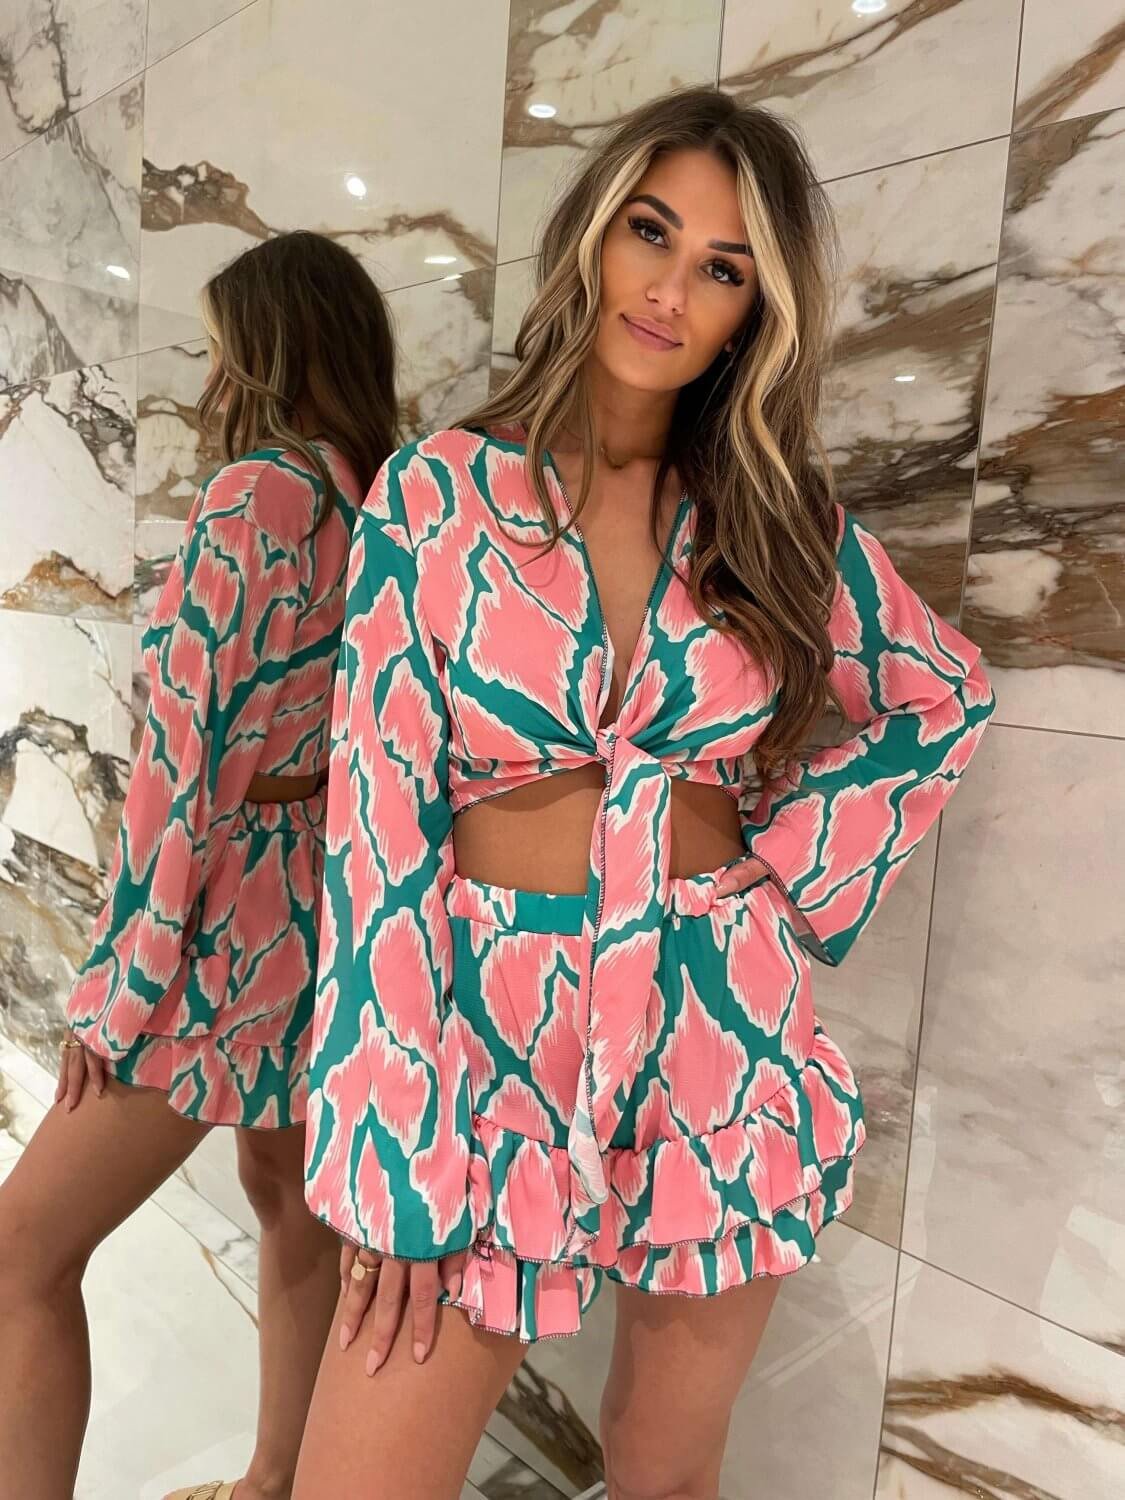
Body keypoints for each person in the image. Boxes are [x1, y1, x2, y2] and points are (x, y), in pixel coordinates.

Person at [293, 88, 995, 1500]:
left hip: (715, 1017)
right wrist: (389, 1142)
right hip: (483, 1023)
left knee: (667, 1472)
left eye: (723, 268)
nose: (672, 290)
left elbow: (945, 695)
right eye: (651, 232)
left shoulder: (771, 518)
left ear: (752, 316)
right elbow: (377, 825)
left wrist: (783, 883)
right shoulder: (438, 494)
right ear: (593, 236)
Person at [0, 231, 398, 1500]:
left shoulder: (253, 497)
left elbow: (181, 766)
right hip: (315, 914)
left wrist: (120, 988)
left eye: (226, 346)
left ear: (272, 347)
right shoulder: (375, 498)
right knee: (287, 1194)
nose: (215, 372)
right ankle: (276, 1481)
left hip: (215, 924)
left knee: (19, 1255)